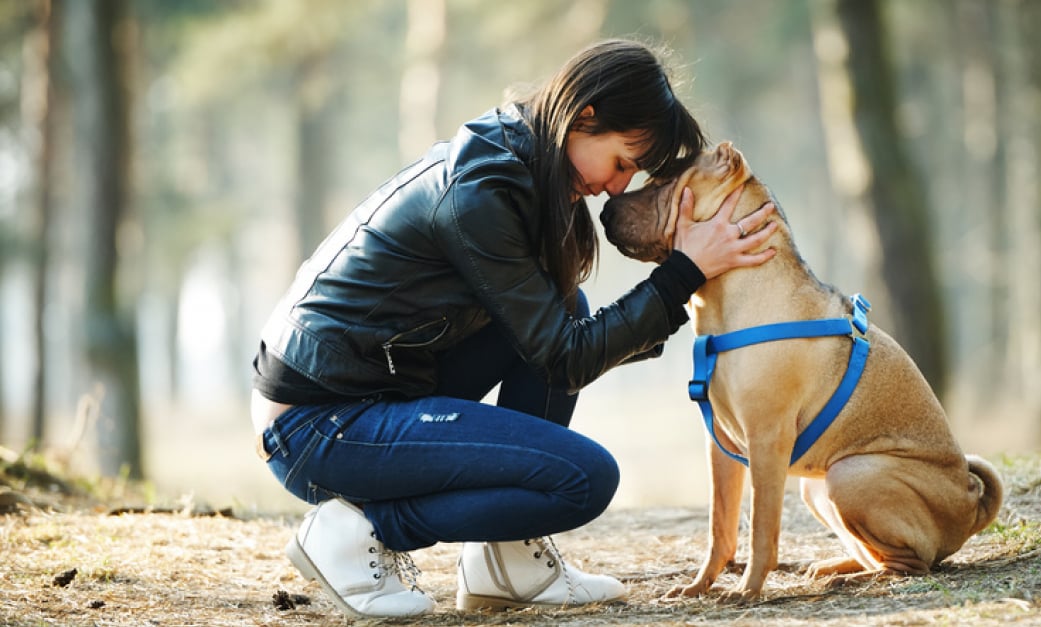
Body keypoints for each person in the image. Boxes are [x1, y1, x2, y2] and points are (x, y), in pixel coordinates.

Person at [250, 38, 777, 619]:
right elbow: (566, 360)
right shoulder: (484, 191)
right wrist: (683, 274)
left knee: (568, 304)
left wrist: (679, 275)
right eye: (623, 162)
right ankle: (359, 529)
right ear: (586, 116)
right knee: (585, 478)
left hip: (377, 391)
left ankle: (505, 563)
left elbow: (561, 338)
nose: (619, 186)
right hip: (319, 424)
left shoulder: (527, 170)